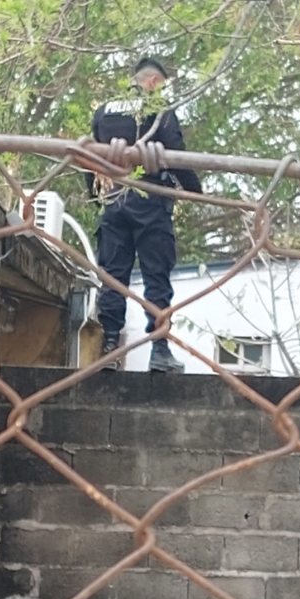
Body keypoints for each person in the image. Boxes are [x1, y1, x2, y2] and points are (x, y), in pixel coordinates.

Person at [87, 57, 203, 373]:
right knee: (156, 275)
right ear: (153, 82)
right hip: (150, 200)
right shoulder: (158, 110)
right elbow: (176, 155)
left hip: (113, 200)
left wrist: (96, 199)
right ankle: (159, 350)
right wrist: (195, 190)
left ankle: (110, 347)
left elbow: (91, 159)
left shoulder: (105, 111)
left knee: (113, 276)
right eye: (162, 86)